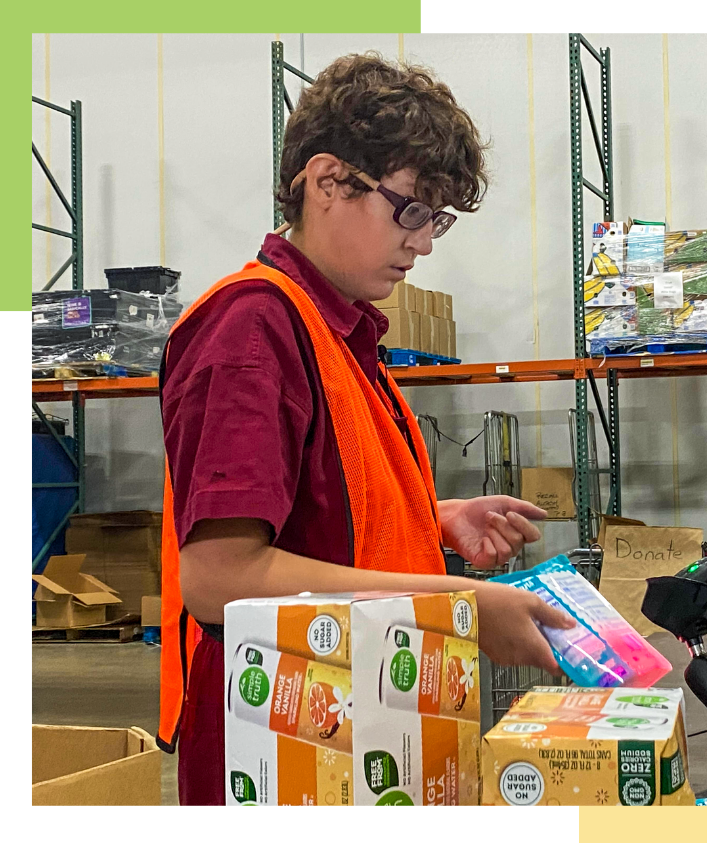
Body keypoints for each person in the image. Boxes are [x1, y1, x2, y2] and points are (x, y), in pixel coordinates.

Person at [157, 52, 574, 807]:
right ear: (326, 182)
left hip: (362, 723)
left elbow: (319, 503)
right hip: (284, 746)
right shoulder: (252, 332)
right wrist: (462, 605)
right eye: (411, 209)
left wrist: (433, 516)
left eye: (436, 218)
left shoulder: (335, 333)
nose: (424, 241)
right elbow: (220, 577)